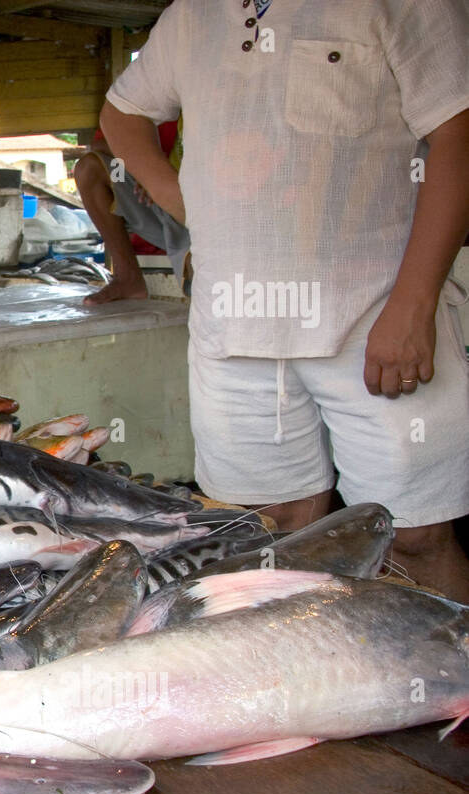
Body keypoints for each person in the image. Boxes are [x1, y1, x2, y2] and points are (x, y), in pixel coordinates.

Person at [101, 0, 469, 601]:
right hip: (234, 331)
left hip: (374, 316)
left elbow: (459, 136)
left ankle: (450, 686)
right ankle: (308, 686)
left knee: (413, 536)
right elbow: (122, 112)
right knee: (270, 532)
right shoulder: (194, 14)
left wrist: (415, 303)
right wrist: (183, 198)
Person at [74, 120, 190, 304]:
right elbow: (100, 143)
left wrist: (163, 180)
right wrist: (143, 169)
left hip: (197, 207)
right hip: (147, 196)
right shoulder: (137, 97)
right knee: (90, 168)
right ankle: (128, 277)